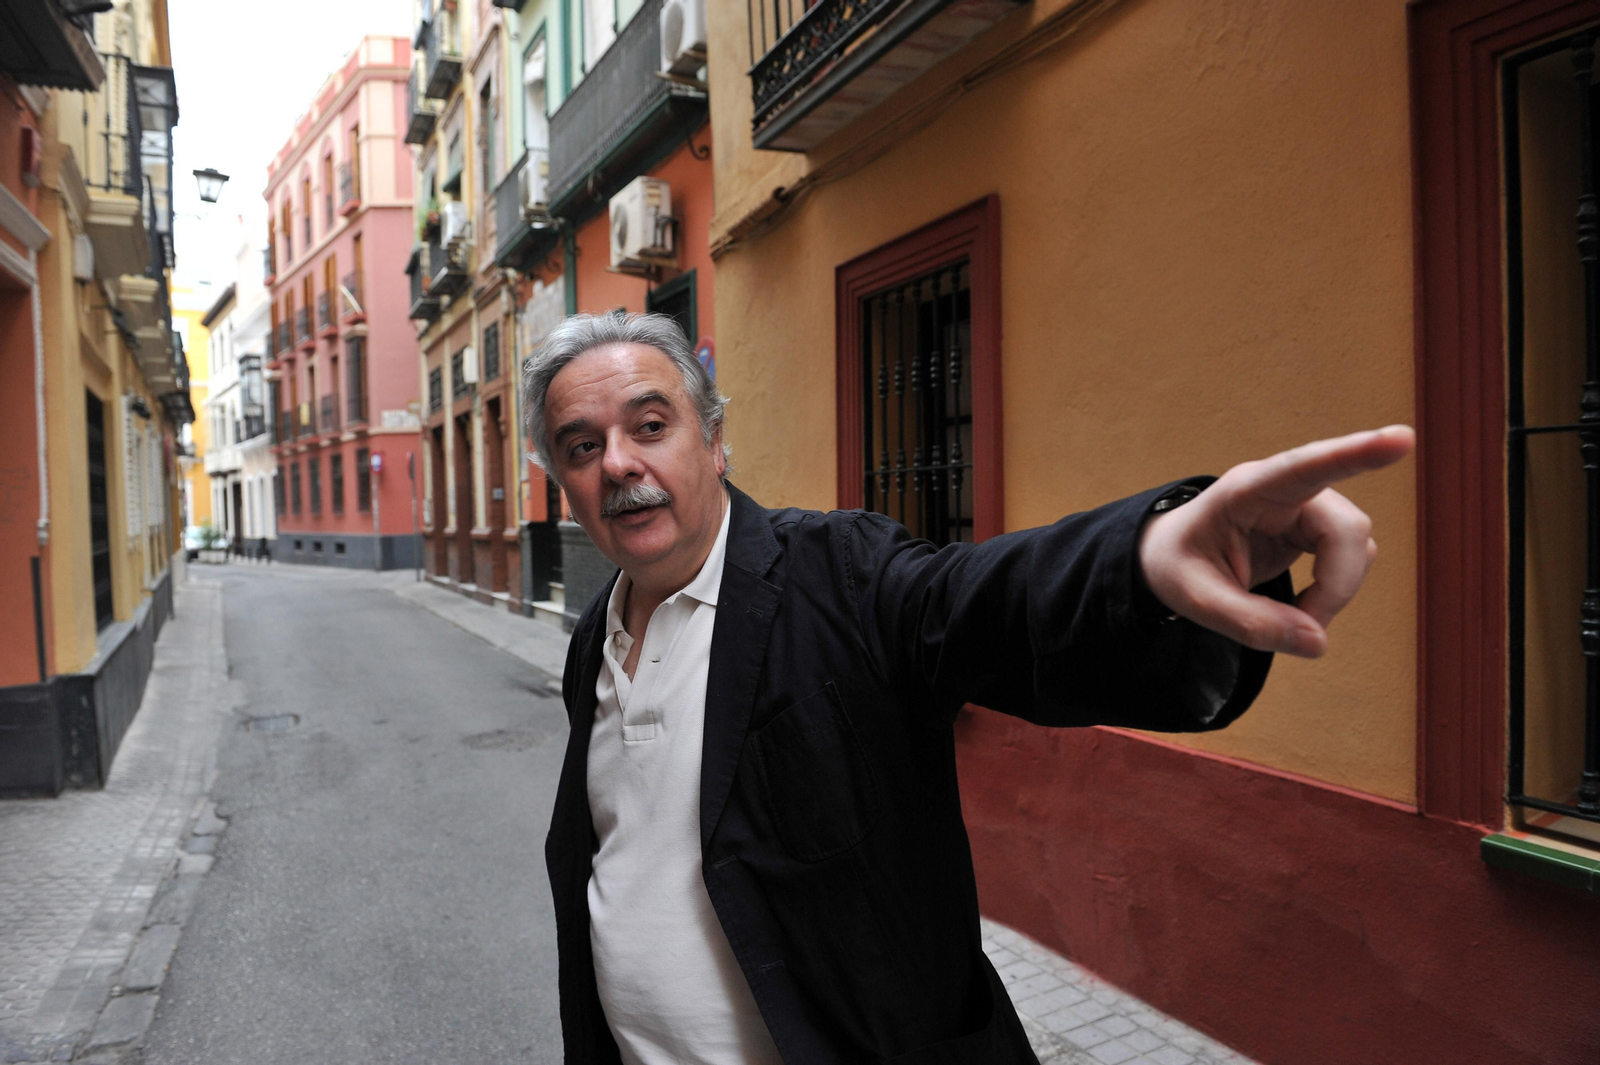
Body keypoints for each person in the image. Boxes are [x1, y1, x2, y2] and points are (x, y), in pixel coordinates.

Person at [525, 312, 1414, 1065]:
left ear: (715, 442)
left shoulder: (842, 574)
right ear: (564, 485)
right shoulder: (596, 635)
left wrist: (1144, 558)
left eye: (650, 425)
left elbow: (981, 599)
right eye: (582, 445)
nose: (618, 464)